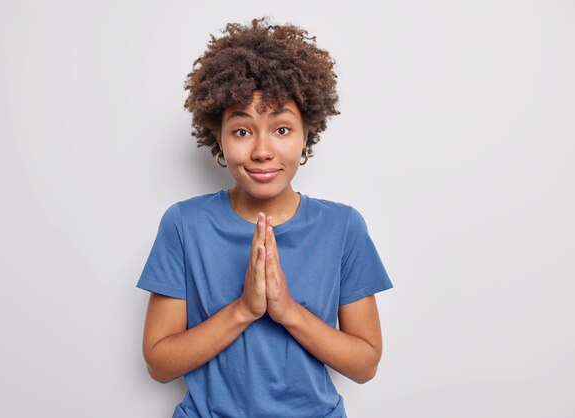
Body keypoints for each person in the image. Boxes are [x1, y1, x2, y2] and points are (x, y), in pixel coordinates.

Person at [137, 16, 393, 418]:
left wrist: (286, 309)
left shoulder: (343, 228)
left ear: (307, 133)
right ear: (217, 135)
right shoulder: (184, 225)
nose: (261, 151)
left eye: (282, 129)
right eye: (242, 131)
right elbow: (159, 364)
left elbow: (364, 365)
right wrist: (245, 309)